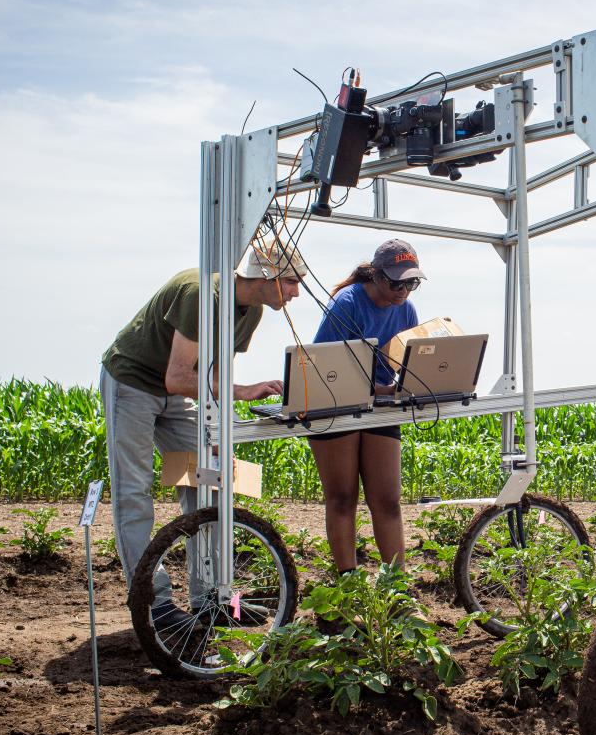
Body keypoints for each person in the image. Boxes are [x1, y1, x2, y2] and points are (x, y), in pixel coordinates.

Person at [99, 243, 307, 625]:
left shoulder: (252, 311)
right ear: (265, 275)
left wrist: (217, 436)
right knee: (134, 491)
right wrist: (243, 390)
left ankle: (212, 598)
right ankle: (153, 605)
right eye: (292, 281)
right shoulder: (200, 295)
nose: (296, 292)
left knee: (208, 480)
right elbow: (178, 376)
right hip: (132, 383)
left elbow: (212, 377)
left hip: (176, 394)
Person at [307, 239, 424, 574]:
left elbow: (402, 363)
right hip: (334, 406)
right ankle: (349, 586)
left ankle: (396, 590)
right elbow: (328, 372)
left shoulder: (407, 311)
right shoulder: (347, 303)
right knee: (343, 498)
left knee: (387, 500)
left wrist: (409, 385)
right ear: (375, 276)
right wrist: (384, 388)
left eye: (411, 282)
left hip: (380, 405)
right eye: (396, 282)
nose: (404, 290)